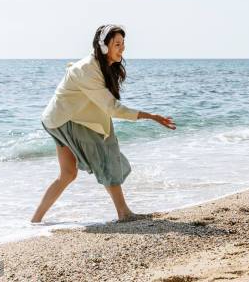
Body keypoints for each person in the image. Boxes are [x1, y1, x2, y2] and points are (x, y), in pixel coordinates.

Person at [31, 24, 176, 223]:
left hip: (56, 119)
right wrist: (150, 116)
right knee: (107, 152)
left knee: (67, 174)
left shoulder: (102, 66)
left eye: (123, 43)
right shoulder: (86, 69)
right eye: (117, 44)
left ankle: (35, 221)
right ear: (104, 46)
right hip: (65, 120)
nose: (122, 48)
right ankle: (123, 213)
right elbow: (112, 107)